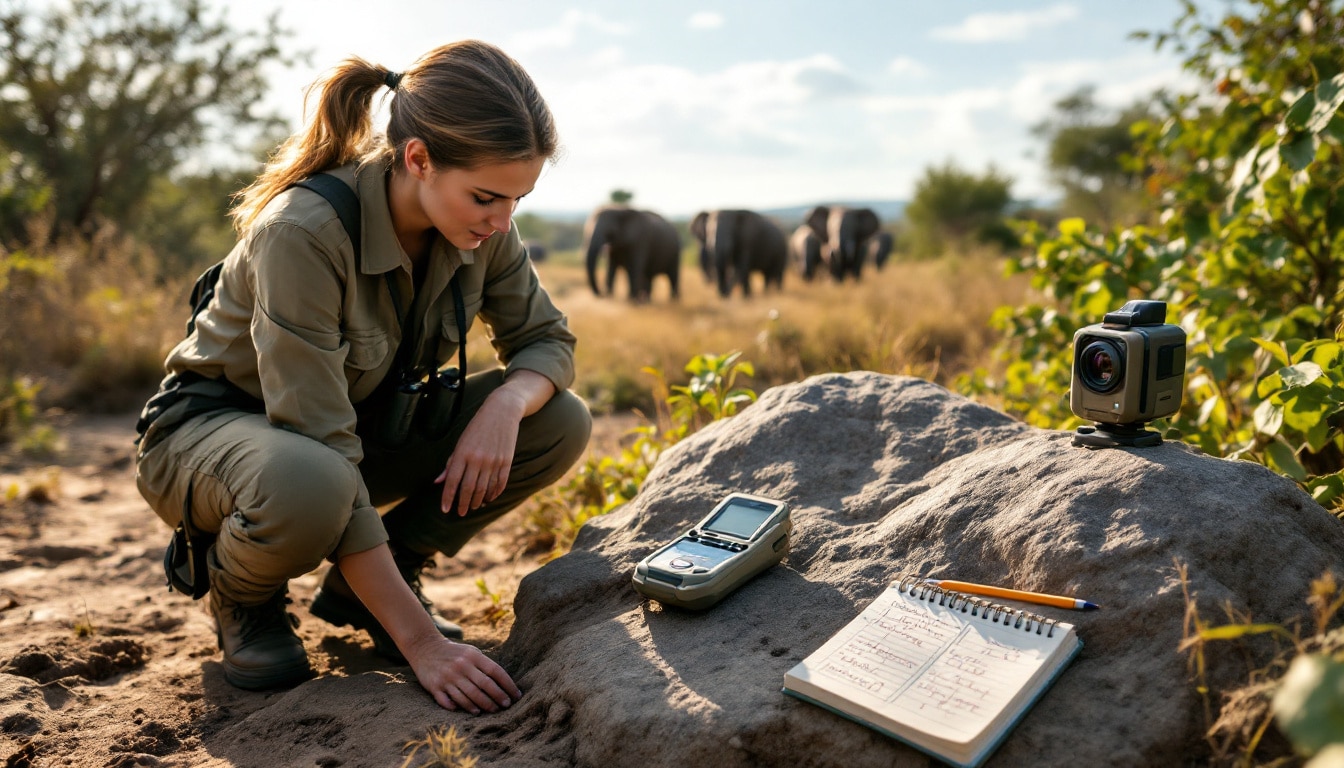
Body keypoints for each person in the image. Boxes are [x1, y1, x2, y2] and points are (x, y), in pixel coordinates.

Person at [133, 40, 592, 715]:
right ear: (418, 159)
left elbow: (545, 341)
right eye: (487, 197)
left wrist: (505, 406)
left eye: (518, 200)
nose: (502, 222)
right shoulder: (302, 232)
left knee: (557, 420)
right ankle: (244, 598)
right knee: (309, 478)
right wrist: (424, 647)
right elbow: (317, 437)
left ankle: (378, 581)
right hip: (212, 443)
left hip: (342, 440)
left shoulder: (484, 231)